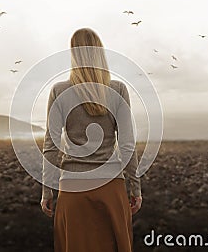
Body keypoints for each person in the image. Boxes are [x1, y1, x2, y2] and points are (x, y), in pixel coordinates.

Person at [40, 28, 142, 252]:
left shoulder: (59, 91)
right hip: (111, 189)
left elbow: (51, 146)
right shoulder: (118, 90)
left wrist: (47, 191)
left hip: (72, 190)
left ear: (73, 54)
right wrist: (136, 188)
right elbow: (127, 145)